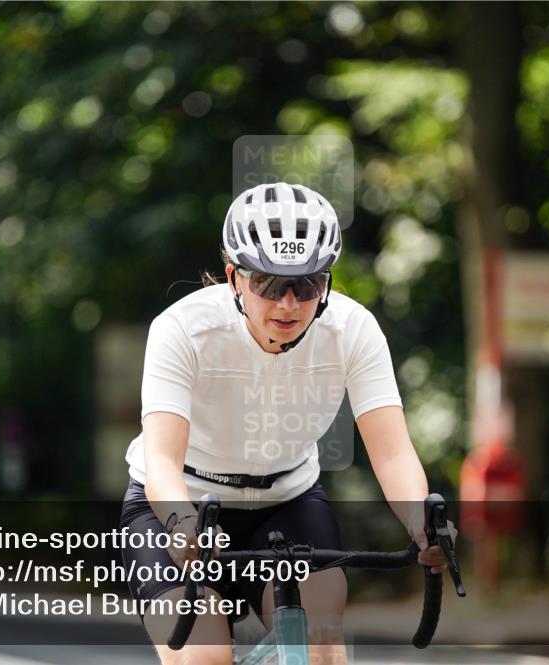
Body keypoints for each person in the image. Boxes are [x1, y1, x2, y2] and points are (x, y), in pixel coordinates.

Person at [119, 182, 453, 665]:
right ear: (234, 278)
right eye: (270, 284)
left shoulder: (352, 329)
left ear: (327, 283)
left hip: (287, 501)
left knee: (321, 648)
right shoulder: (182, 329)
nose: (289, 304)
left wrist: (423, 524)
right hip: (181, 505)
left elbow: (393, 452)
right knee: (204, 657)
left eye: (309, 284)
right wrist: (182, 524)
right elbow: (163, 460)